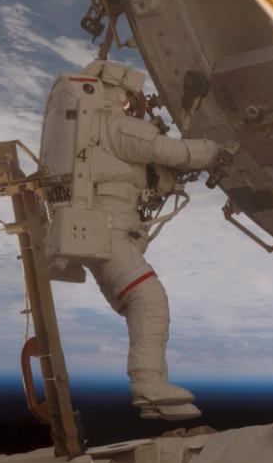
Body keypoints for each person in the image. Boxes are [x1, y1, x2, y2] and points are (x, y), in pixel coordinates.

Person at [45, 60, 220, 420]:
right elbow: (174, 153)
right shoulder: (116, 126)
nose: (134, 106)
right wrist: (218, 149)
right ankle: (147, 384)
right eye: (130, 99)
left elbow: (136, 174)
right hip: (106, 232)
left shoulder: (83, 132)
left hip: (95, 233)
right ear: (116, 92)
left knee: (139, 307)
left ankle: (154, 401)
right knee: (149, 301)